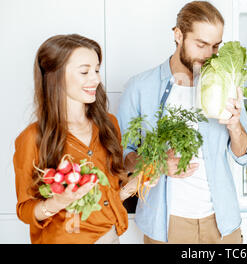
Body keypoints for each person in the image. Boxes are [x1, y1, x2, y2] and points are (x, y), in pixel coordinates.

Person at [117, 0, 247, 244]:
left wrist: (235, 126)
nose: (209, 55)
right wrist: (157, 163)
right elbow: (123, 156)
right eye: (201, 44)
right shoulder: (140, 87)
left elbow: (243, 154)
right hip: (165, 223)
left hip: (221, 220)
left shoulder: (225, 85)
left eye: (215, 46)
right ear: (178, 35)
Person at [13, 34, 151, 244]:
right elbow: (25, 209)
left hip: (110, 238)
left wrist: (137, 183)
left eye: (96, 70)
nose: (96, 79)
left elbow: (109, 196)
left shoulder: (109, 124)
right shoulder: (33, 138)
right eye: (85, 71)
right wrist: (57, 202)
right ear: (56, 76)